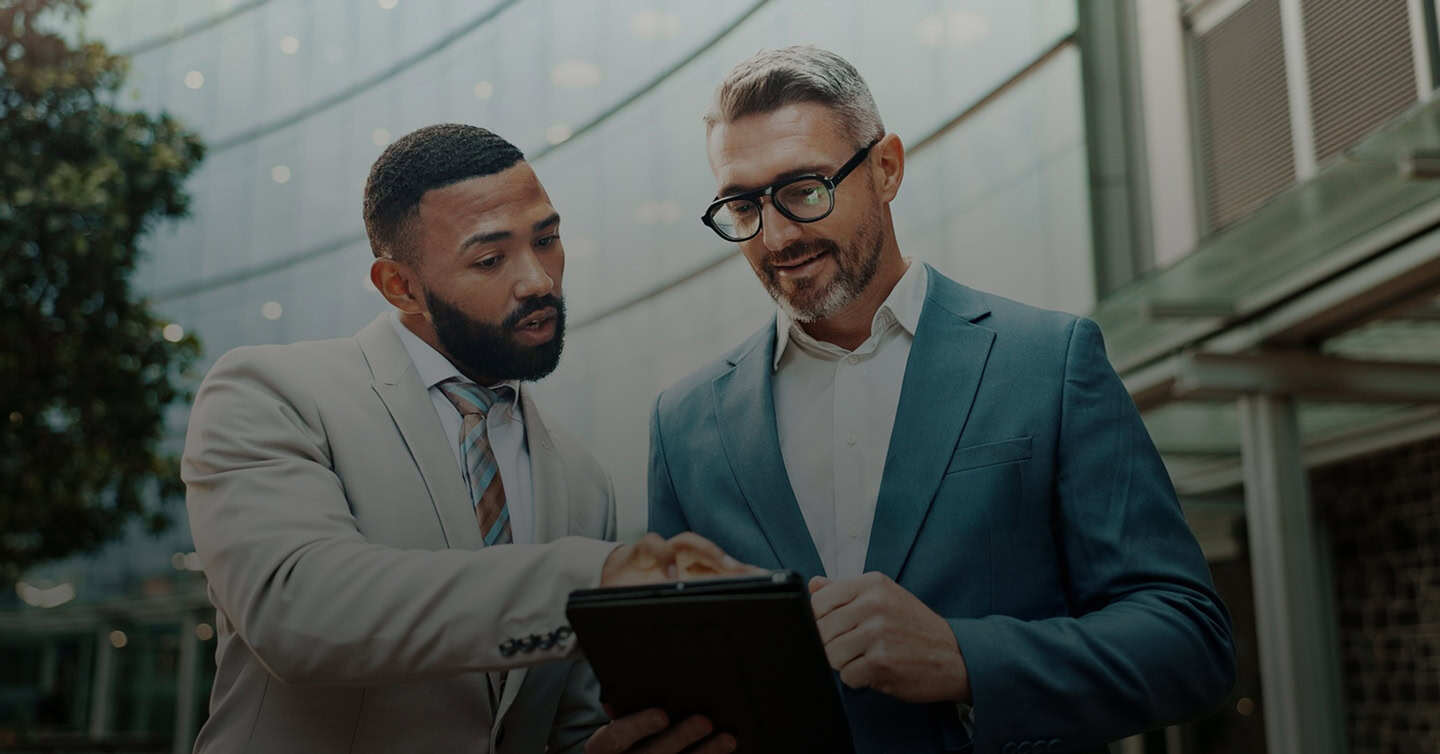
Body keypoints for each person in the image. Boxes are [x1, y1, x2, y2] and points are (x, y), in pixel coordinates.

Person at [594, 47, 1237, 754]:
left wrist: (965, 658)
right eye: (743, 206)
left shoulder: (1048, 362)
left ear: (887, 168)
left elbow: (1189, 640)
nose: (776, 237)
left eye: (806, 190)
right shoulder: (685, 426)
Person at [182, 124, 742, 754]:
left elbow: (558, 725)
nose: (538, 280)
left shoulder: (583, 480)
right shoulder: (269, 393)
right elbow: (297, 610)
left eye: (547, 239)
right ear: (401, 287)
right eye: (490, 259)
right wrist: (600, 580)